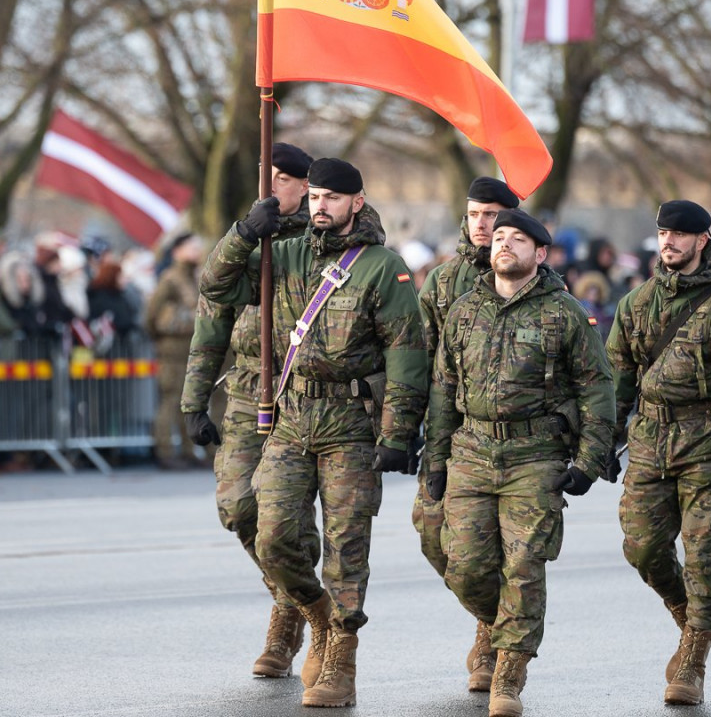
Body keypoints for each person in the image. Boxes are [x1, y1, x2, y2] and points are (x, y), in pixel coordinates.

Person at [191, 156, 427, 708]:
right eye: (315, 198)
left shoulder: (381, 267)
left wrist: (398, 434)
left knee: (346, 546)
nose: (320, 207)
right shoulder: (282, 253)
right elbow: (216, 285)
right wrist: (246, 231)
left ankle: (341, 659)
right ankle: (313, 613)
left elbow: (407, 356)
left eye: (332, 199)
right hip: (291, 418)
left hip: (350, 424)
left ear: (356, 203)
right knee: (271, 535)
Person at [424, 208, 615, 717]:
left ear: (541, 253)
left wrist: (589, 461)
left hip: (535, 455)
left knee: (525, 565)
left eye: (517, 239)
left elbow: (597, 389)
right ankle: (499, 624)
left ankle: (509, 672)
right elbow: (444, 389)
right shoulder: (465, 310)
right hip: (471, 450)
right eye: (499, 237)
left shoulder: (565, 313)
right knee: (463, 565)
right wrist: (436, 458)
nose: (504, 244)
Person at [606, 199, 711, 707]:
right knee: (641, 546)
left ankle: (693, 656)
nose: (669, 243)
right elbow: (616, 380)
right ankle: (694, 618)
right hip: (650, 441)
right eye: (663, 233)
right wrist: (603, 442)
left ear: (702, 240)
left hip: (710, 445)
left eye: (680, 235)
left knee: (703, 553)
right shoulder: (636, 304)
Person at [181, 142, 319, 678]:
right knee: (239, 508)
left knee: (286, 520)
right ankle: (293, 597)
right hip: (244, 393)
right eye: (267, 173)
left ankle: (290, 619)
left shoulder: (321, 241)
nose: (272, 184)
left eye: (284, 178)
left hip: (302, 397)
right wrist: (193, 402)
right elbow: (210, 317)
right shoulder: (243, 238)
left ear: (306, 187)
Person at [412, 174, 519, 693]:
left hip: (512, 443)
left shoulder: (534, 278)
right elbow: (415, 360)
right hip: (445, 435)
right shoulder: (442, 281)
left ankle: (493, 637)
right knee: (437, 539)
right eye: (476, 213)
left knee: (494, 549)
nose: (483, 224)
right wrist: (401, 431)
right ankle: (495, 617)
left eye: (493, 215)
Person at [145, 232, 205, 470]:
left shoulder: (195, 277)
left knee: (190, 401)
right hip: (172, 349)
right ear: (177, 251)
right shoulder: (170, 278)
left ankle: (189, 451)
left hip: (192, 347)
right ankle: (165, 451)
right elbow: (152, 313)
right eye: (191, 247)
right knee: (170, 400)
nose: (196, 251)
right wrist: (160, 338)